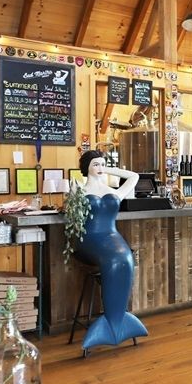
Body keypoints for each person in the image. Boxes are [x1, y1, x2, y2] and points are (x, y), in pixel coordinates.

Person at [74, 150, 147, 352]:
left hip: (111, 236)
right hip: (89, 239)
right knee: (116, 259)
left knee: (125, 258)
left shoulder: (114, 190)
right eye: (95, 164)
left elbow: (134, 177)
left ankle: (117, 321)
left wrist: (107, 167)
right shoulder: (78, 188)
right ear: (86, 166)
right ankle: (111, 323)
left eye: (102, 164)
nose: (99, 168)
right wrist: (96, 166)